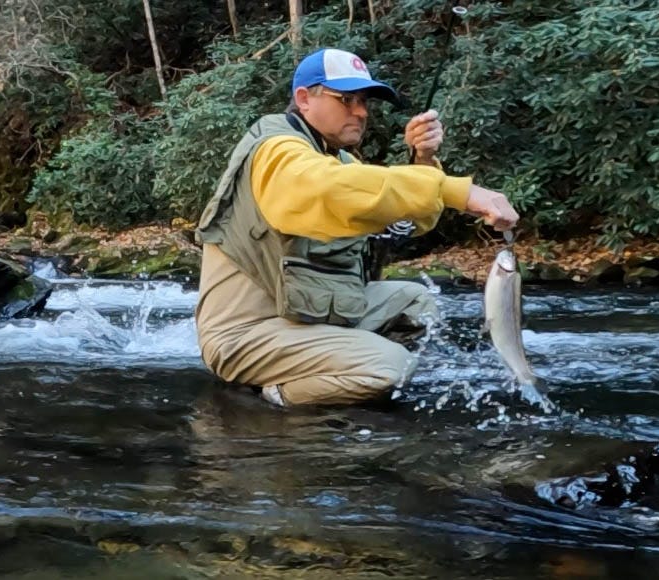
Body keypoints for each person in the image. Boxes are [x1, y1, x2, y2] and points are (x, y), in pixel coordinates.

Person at [194, 48, 519, 407]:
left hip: (300, 317)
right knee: (389, 367)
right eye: (345, 99)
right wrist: (457, 190)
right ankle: (273, 396)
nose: (361, 112)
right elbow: (328, 189)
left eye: (364, 101)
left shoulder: (338, 158)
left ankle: (341, 370)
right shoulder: (276, 149)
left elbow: (404, 223)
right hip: (244, 336)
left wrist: (423, 162)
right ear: (304, 99)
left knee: (417, 303)